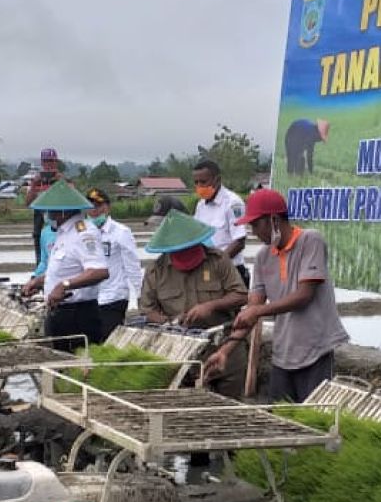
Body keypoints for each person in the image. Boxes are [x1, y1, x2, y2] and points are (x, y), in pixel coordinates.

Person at [206, 189, 347, 402]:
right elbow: (252, 310)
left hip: (315, 350)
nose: (253, 232)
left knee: (314, 420)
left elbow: (304, 295)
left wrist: (258, 310)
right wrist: (226, 350)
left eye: (255, 225)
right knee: (281, 419)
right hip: (284, 353)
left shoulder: (310, 241)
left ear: (273, 220)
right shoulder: (264, 256)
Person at [141, 210, 248, 398]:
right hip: (182, 352)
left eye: (188, 250)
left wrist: (211, 306)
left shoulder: (218, 260)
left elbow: (241, 295)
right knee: (185, 408)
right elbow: (147, 310)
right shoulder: (156, 271)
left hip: (225, 347)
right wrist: (170, 321)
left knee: (230, 409)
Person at [21, 180, 108, 351]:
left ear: (62, 211)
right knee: (59, 367)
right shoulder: (62, 233)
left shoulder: (84, 233)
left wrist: (64, 285)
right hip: (59, 313)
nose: (48, 215)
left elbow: (99, 271)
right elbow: (65, 270)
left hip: (78, 315)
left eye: (50, 211)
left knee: (78, 370)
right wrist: (38, 282)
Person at [86, 187, 144, 341]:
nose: (94, 210)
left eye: (98, 205)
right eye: (90, 206)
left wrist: (139, 296)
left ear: (107, 207)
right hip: (90, 298)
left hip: (114, 297)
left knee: (108, 340)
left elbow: (133, 266)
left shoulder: (121, 232)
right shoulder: (83, 232)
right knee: (91, 342)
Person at [192, 159, 250, 287]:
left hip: (230, 270)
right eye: (196, 182)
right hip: (207, 271)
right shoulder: (201, 205)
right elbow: (197, 237)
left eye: (203, 182)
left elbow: (239, 241)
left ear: (217, 180)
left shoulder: (233, 203)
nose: (199, 186)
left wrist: (217, 264)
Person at [25, 147, 64, 262]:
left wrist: (62, 182)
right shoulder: (36, 181)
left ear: (56, 162)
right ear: (42, 163)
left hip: (59, 224)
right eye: (46, 161)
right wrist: (34, 185)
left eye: (52, 161)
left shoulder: (62, 179)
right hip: (40, 223)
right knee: (41, 259)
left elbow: (74, 197)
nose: (49, 164)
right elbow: (28, 203)